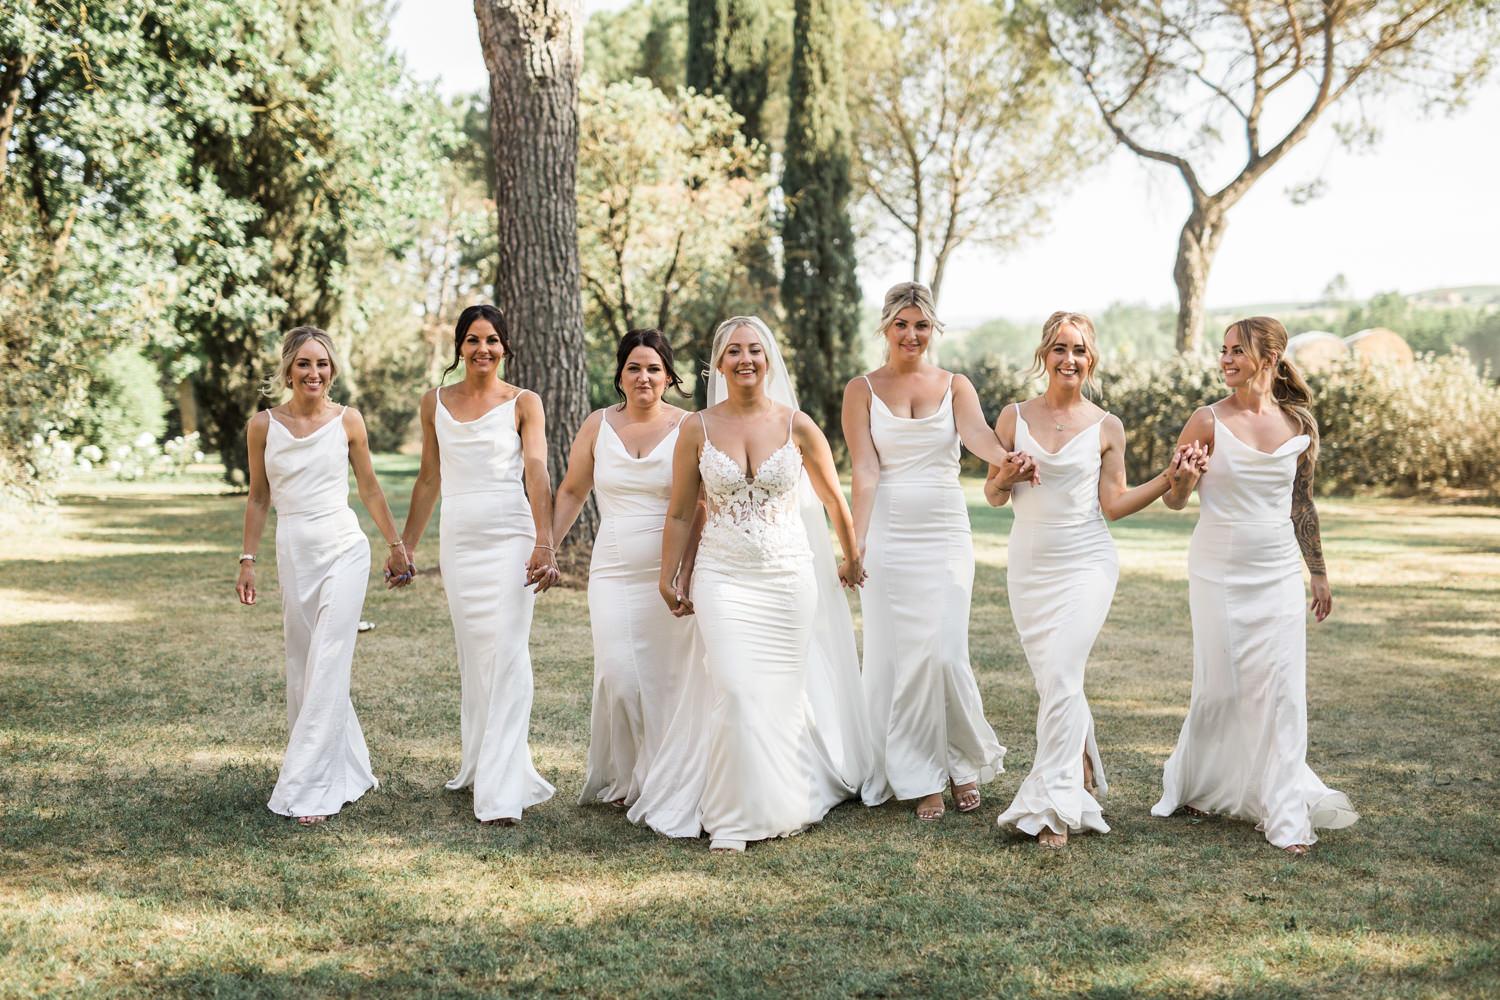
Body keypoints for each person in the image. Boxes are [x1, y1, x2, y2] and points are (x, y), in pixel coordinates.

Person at [630, 316, 873, 852]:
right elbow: (680, 511)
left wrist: (853, 557)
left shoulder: (797, 425)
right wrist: (668, 575)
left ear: (768, 359)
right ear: (718, 364)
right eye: (734, 351)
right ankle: (733, 818)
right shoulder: (696, 428)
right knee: (737, 691)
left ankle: (782, 800)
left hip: (788, 579)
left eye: (755, 350)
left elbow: (834, 500)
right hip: (723, 576)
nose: (746, 359)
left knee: (780, 696)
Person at [985, 311, 1204, 849]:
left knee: (1062, 671)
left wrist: (1168, 478)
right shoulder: (1013, 417)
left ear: (1091, 358)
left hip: (1087, 562)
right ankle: (1080, 760)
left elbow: (1114, 504)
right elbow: (993, 494)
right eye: (1060, 348)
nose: (1069, 359)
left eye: (1079, 349)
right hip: (1029, 567)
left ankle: (1053, 804)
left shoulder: (1107, 426)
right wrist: (1006, 476)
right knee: (1053, 679)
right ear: (1045, 354)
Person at [1152, 316, 1358, 855]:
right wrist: (1184, 480)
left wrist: (1317, 571)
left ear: (1268, 358)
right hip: (1217, 570)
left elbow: (1301, 503)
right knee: (1220, 687)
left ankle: (1285, 813)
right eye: (1223, 350)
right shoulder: (1206, 420)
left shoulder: (1299, 424)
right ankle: (1201, 784)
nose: (1225, 360)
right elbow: (1175, 499)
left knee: (1283, 692)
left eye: (1237, 351)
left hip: (1277, 571)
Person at [841, 281, 1014, 821]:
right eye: (901, 324)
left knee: (944, 653)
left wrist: (1006, 459)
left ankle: (961, 761)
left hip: (945, 532)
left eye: (921, 325)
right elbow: (865, 471)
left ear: (933, 328)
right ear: (886, 327)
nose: (911, 334)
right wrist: (856, 541)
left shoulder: (955, 385)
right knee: (901, 657)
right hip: (889, 536)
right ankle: (920, 775)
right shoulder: (861, 390)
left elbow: (978, 436)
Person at [236, 326, 408, 825]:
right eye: (305, 364)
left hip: (344, 548)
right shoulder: (262, 426)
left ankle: (310, 788)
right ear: (288, 370)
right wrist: (247, 560)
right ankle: (345, 764)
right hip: (294, 552)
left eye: (323, 364)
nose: (314, 373)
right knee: (304, 661)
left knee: (330, 658)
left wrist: (396, 546)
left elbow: (369, 487)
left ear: (332, 370)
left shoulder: (348, 420)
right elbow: (259, 497)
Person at [394, 304, 558, 825]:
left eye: (491, 340)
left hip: (512, 535)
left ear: (505, 347)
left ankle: (501, 791)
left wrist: (545, 540)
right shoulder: (434, 402)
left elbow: (537, 471)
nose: (482, 349)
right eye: (472, 339)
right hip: (460, 541)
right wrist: (406, 546)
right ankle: (483, 761)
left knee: (508, 653)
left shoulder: (524, 403)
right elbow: (428, 478)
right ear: (459, 347)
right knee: (476, 656)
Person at [551, 329, 703, 807]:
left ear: (669, 377)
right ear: (619, 374)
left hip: (671, 573)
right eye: (634, 368)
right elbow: (572, 491)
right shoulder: (597, 425)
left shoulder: (689, 426)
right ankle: (625, 775)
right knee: (619, 676)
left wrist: (685, 571)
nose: (644, 377)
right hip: (612, 570)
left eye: (654, 368)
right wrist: (546, 547)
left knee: (667, 679)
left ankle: (662, 778)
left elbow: (699, 505)